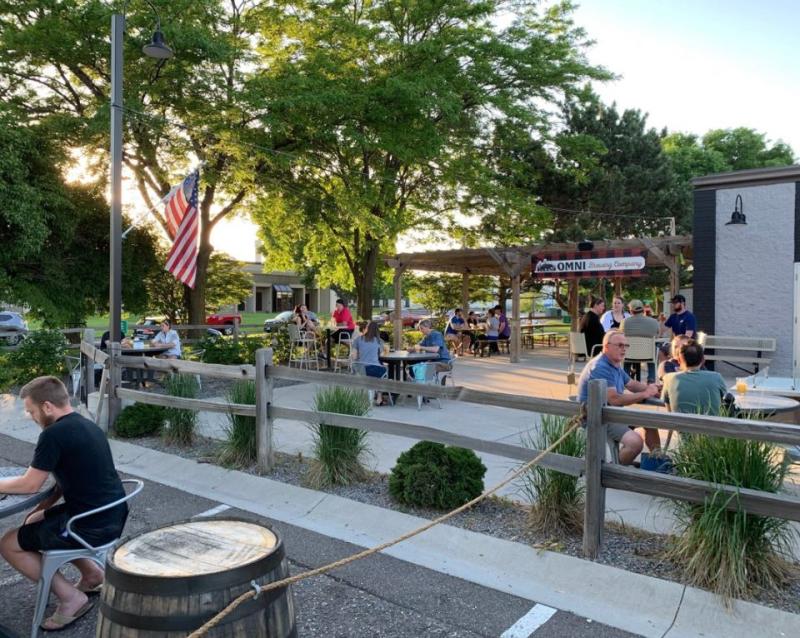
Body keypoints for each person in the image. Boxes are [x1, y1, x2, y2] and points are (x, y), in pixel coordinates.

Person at [0, 377, 128, 631]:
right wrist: (42, 510)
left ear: (47, 406)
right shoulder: (85, 424)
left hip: (89, 525)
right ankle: (93, 576)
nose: (30, 416)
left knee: (8, 543)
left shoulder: (53, 435)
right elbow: (63, 482)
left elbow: (29, 485)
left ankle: (72, 599)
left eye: (31, 411)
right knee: (37, 525)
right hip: (111, 513)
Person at [576, 330, 662, 465]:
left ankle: (657, 462)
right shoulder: (600, 367)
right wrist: (645, 394)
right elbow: (615, 399)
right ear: (606, 346)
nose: (624, 349)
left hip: (613, 412)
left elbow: (631, 384)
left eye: (626, 346)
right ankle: (613, 471)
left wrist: (653, 389)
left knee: (650, 422)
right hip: (598, 416)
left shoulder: (614, 363)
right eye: (620, 345)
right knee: (635, 443)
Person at [661, 341, 727, 415]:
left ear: (679, 360)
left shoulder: (669, 379)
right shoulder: (716, 377)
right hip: (712, 426)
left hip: (681, 425)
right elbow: (726, 403)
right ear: (703, 360)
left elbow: (669, 411)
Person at [621, 299, 660, 383]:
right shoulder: (654, 322)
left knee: (626, 350)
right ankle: (651, 379)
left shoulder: (625, 322)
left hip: (629, 355)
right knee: (653, 348)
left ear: (631, 311)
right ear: (643, 309)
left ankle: (625, 379)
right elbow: (658, 334)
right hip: (648, 355)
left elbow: (621, 335)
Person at [351, 321, 389, 405]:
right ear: (377, 330)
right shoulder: (379, 341)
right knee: (384, 371)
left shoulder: (358, 339)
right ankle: (379, 398)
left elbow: (354, 356)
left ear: (367, 329)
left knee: (379, 371)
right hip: (373, 368)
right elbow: (381, 355)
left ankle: (374, 394)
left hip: (361, 369)